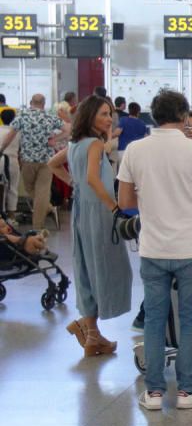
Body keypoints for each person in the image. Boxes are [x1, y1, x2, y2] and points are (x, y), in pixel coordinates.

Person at [118, 89, 192, 411]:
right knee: (190, 321)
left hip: (152, 247)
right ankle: (188, 391)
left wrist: (153, 198)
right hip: (189, 247)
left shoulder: (135, 150)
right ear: (183, 114)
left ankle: (153, 393)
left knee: (154, 320)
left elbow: (125, 202)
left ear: (154, 114)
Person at [48, 96, 132, 357]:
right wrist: (114, 208)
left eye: (110, 114)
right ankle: (89, 329)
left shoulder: (76, 144)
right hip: (100, 212)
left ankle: (91, 332)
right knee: (107, 267)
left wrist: (75, 185)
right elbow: (94, 180)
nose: (109, 119)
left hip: (82, 211)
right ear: (90, 116)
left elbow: (52, 164)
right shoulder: (94, 143)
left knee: (87, 267)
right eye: (103, 114)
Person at [0, 94, 67, 229]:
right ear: (43, 103)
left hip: (28, 160)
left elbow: (10, 135)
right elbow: (69, 129)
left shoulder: (23, 116)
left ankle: (43, 214)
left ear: (31, 102)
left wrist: (1, 149)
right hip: (48, 161)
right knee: (42, 192)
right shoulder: (50, 117)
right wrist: (56, 139)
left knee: (30, 188)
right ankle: (38, 226)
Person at [0, 109, 22, 216]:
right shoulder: (17, 132)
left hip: (0, 159)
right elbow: (21, 149)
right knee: (13, 188)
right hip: (13, 160)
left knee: (1, 188)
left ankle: (2, 214)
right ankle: (11, 215)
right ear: (14, 119)